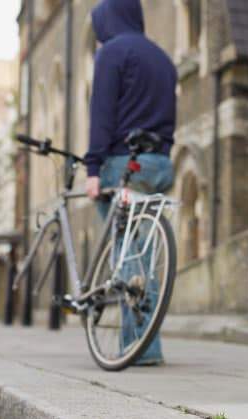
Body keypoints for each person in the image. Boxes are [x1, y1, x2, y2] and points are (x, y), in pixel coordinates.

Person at [84, 0, 177, 366]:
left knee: (125, 254)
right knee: (147, 253)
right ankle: (147, 343)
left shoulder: (112, 52)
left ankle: (138, 347)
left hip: (124, 163)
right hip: (159, 163)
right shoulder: (163, 59)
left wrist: (93, 167)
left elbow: (102, 114)